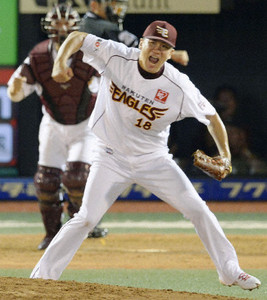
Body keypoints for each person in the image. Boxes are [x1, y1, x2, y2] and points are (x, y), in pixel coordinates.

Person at [30, 20, 261, 291]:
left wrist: (226, 157)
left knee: (198, 209)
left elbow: (212, 118)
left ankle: (230, 271)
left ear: (169, 52)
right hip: (109, 156)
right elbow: (79, 37)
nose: (157, 50)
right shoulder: (116, 55)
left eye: (164, 47)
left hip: (153, 160)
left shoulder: (178, 85)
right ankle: (41, 278)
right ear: (141, 43)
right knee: (87, 218)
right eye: (153, 42)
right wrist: (59, 64)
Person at [7, 3, 108, 250]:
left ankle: (81, 225)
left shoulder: (88, 54)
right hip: (53, 123)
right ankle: (52, 234)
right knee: (46, 182)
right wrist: (16, 87)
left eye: (66, 24)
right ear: (48, 27)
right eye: (57, 24)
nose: (62, 29)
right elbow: (15, 92)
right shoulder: (38, 55)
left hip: (84, 124)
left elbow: (104, 88)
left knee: (76, 178)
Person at [81, 0, 189, 66]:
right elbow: (131, 45)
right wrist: (173, 54)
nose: (117, 8)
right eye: (112, 2)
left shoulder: (97, 23)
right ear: (94, 5)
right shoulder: (94, 26)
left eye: (118, 3)